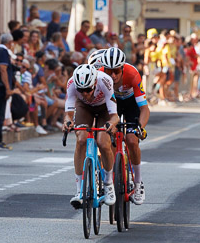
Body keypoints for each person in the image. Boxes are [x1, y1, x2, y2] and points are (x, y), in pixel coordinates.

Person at [63, 63, 119, 208]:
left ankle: (108, 183)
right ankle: (79, 191)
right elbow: (68, 114)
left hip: (104, 109)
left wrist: (110, 124)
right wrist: (68, 122)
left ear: (95, 83)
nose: (86, 94)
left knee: (102, 141)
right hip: (84, 108)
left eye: (88, 89)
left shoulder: (105, 81)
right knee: (81, 139)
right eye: (82, 90)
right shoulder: (71, 84)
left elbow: (114, 116)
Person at [99, 47, 149, 204]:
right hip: (112, 102)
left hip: (130, 103)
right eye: (109, 71)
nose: (112, 76)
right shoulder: (100, 74)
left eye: (116, 71)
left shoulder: (132, 74)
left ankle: (138, 183)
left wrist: (139, 126)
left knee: (132, 140)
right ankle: (111, 176)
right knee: (108, 139)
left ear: (122, 68)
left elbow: (144, 108)